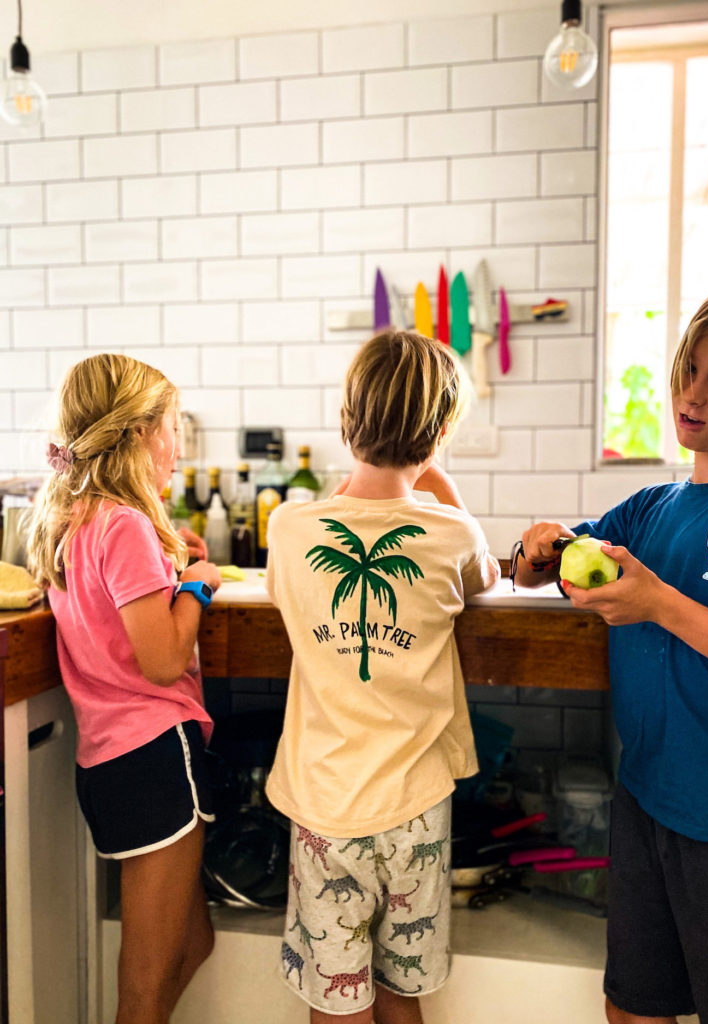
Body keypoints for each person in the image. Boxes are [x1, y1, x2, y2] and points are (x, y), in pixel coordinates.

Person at [515, 283, 708, 1024]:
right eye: (689, 368)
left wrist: (660, 605)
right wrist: (534, 550)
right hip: (644, 803)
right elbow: (544, 569)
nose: (692, 392)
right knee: (632, 1008)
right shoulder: (648, 508)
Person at [264, 329, 500, 1024]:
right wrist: (433, 476)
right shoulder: (452, 534)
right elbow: (485, 576)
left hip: (325, 803)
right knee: (404, 991)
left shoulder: (288, 527)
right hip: (417, 803)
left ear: (346, 419)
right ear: (442, 432)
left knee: (338, 1001)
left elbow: (312, 550)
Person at [27, 353, 222, 1024]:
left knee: (194, 942)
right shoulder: (127, 525)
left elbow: (112, 613)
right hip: (155, 755)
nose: (177, 447)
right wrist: (197, 583)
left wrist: (169, 562)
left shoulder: (70, 519)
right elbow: (164, 659)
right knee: (140, 991)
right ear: (139, 433)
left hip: (107, 762)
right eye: (172, 427)